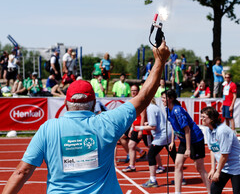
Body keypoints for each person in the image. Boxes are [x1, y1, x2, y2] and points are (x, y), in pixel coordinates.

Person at [2, 40, 170, 194]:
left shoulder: (48, 128)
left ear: (66, 104)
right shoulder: (107, 123)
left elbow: (21, 171)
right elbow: (143, 98)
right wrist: (160, 61)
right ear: (93, 102)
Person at [161, 89, 211, 194]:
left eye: (164, 98)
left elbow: (187, 129)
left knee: (199, 167)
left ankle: (211, 191)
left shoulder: (177, 110)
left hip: (195, 139)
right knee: (178, 165)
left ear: (171, 99)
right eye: (162, 97)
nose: (162, 100)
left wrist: (188, 149)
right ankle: (177, 192)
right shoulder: (167, 110)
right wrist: (172, 142)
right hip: (184, 140)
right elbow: (174, 126)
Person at [201, 107, 240, 194]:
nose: (202, 119)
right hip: (224, 165)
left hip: (237, 166)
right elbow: (213, 149)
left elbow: (225, 154)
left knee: (237, 192)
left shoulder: (222, 131)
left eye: (204, 117)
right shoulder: (208, 130)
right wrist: (213, 169)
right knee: (214, 190)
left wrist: (218, 172)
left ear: (211, 119)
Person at [141, 98, 177, 188]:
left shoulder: (150, 108)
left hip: (162, 135)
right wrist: (147, 123)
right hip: (167, 133)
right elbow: (155, 122)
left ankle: (153, 180)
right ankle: (181, 178)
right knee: (174, 155)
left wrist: (140, 128)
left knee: (151, 155)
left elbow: (153, 126)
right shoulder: (154, 107)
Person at [118, 85, 146, 163]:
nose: (133, 92)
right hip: (133, 126)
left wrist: (141, 129)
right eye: (132, 90)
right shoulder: (130, 101)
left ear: (138, 91)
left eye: (135, 90)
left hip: (139, 127)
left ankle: (132, 158)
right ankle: (139, 152)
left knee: (131, 143)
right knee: (122, 138)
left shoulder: (141, 101)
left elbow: (143, 116)